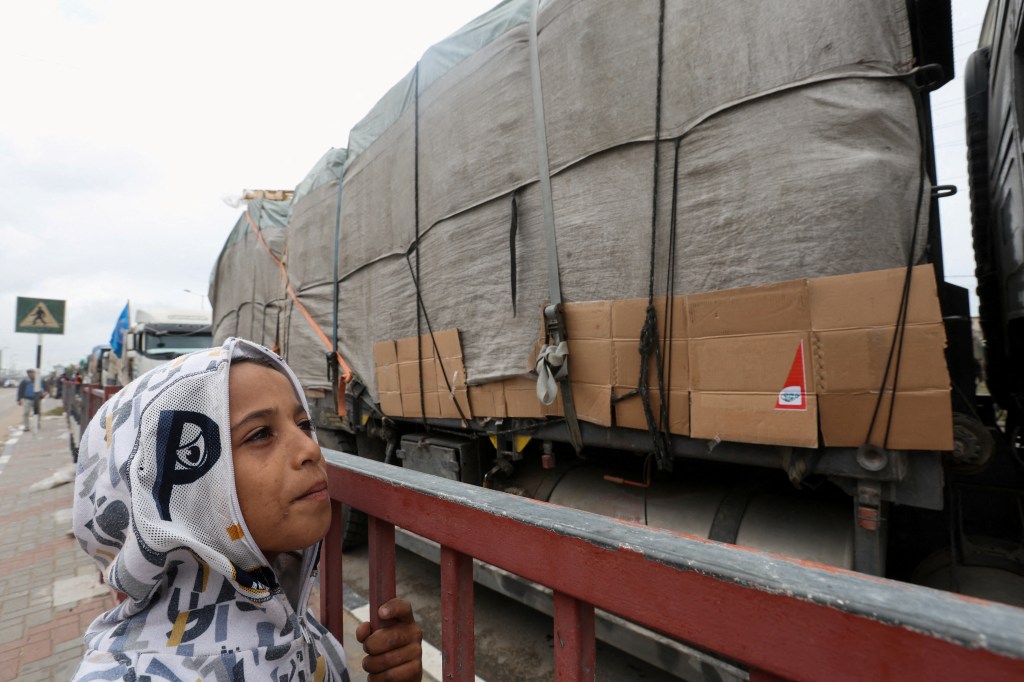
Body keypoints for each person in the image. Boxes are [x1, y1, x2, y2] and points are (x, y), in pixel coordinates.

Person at [72, 337, 423, 681]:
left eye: (303, 425)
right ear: (180, 486)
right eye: (259, 434)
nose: (310, 449)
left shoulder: (293, 626)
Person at [16, 369, 41, 433]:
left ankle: (37, 424)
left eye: (31, 373)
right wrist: (19, 399)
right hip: (27, 399)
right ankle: (26, 426)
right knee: (26, 413)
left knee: (37, 413)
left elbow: (44, 387)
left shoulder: (39, 380)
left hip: (36, 399)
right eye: (29, 373)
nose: (30, 374)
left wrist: (44, 393)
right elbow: (20, 390)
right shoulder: (25, 381)